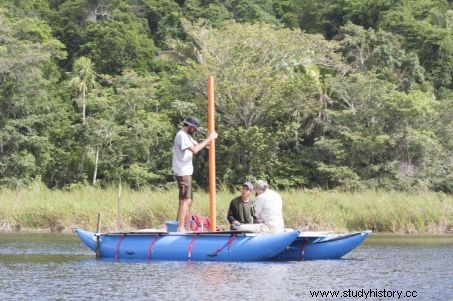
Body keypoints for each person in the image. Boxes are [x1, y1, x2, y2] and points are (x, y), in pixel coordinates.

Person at [172, 116, 218, 232]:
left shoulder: (187, 136)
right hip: (182, 172)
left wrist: (208, 143)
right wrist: (209, 138)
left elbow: (198, 144)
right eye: (194, 129)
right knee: (185, 200)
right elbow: (195, 150)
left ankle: (187, 227)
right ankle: (181, 227)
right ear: (190, 126)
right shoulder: (181, 135)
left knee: (189, 200)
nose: (195, 131)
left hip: (186, 172)